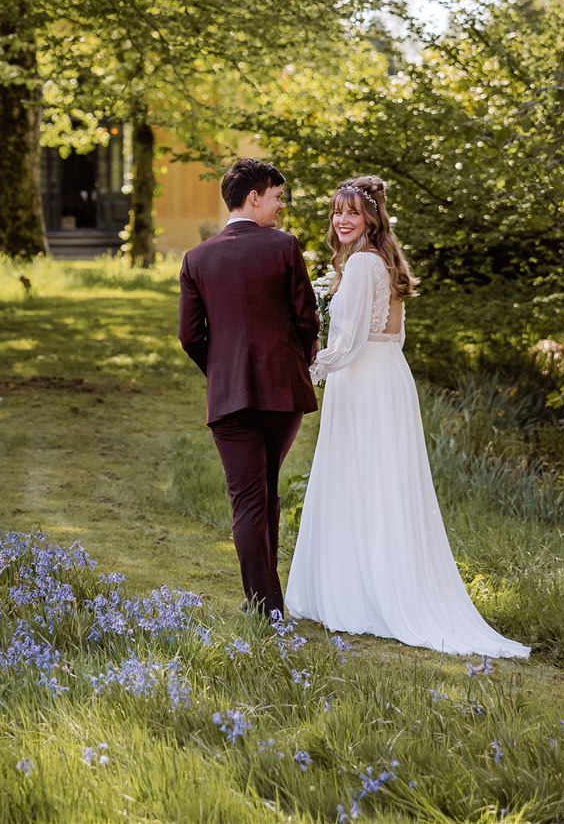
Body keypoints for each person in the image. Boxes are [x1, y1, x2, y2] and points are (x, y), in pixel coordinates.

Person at [285, 175, 530, 658]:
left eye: (352, 212)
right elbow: (391, 338)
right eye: (337, 212)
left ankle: (361, 595)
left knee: (360, 481)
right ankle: (379, 584)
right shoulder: (386, 261)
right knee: (386, 485)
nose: (342, 220)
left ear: (371, 217)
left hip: (362, 381)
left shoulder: (360, 266)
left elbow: (349, 342)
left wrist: (308, 369)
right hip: (390, 377)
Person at [177, 158, 321, 617]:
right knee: (267, 490)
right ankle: (267, 602)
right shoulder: (284, 248)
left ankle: (263, 603)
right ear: (254, 197)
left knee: (249, 497)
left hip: (229, 397)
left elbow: (190, 335)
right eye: (277, 197)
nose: (282, 206)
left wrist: (220, 370)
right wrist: (293, 361)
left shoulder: (196, 258)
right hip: (283, 393)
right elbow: (306, 320)